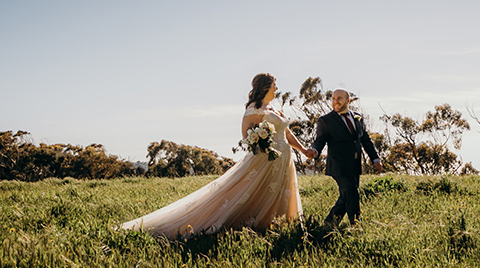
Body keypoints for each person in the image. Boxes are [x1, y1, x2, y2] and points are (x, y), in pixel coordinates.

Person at [121, 73, 313, 238]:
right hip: (264, 158)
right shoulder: (254, 109)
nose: (276, 88)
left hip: (284, 159)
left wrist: (303, 150)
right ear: (265, 87)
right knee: (248, 191)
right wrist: (262, 144)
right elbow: (246, 135)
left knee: (281, 189)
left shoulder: (273, 109)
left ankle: (276, 222)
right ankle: (244, 221)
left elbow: (287, 133)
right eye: (274, 86)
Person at [311, 88, 382, 225]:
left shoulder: (357, 117)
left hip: (355, 164)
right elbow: (320, 140)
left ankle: (329, 223)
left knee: (347, 196)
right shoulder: (325, 120)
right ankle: (356, 224)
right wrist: (315, 151)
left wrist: (375, 158)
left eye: (339, 98)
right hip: (338, 165)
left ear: (348, 101)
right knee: (352, 193)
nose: (335, 101)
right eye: (333, 98)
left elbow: (365, 140)